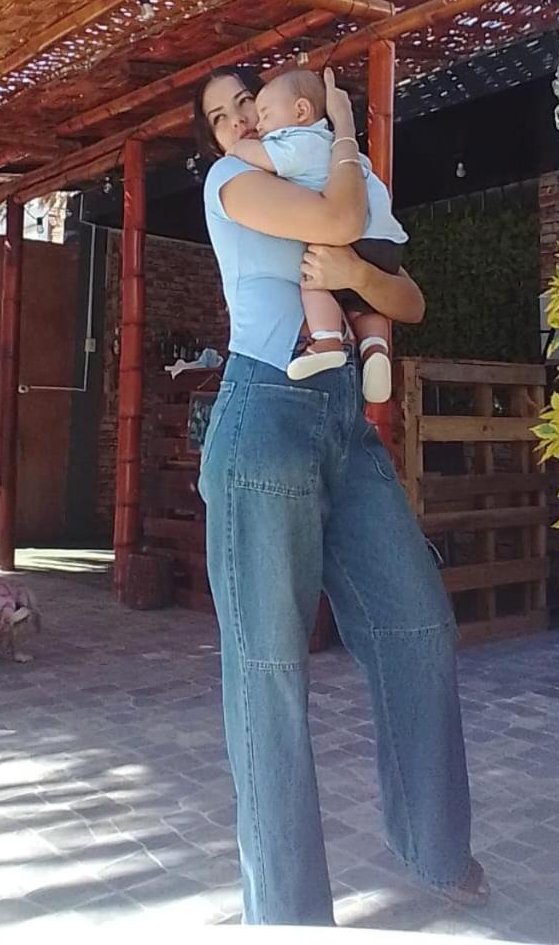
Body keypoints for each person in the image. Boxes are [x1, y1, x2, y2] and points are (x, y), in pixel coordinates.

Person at [194, 63, 489, 927]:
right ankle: (287, 915)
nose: (238, 120)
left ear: (281, 108)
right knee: (269, 669)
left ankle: (435, 845)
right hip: (263, 417)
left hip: (344, 427)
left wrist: (356, 273)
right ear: (215, 141)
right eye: (220, 117)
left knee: (417, 625)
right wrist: (350, 137)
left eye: (247, 102)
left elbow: (407, 297)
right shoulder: (234, 181)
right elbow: (339, 222)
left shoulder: (317, 170)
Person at [225, 67, 404, 402]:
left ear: (301, 111)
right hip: (388, 240)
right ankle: (376, 348)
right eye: (219, 118)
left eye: (263, 113)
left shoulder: (297, 141)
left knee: (313, 277)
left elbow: (266, 157)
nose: (257, 124)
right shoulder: (338, 147)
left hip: (352, 236)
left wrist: (238, 150)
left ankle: (327, 340)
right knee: (364, 307)